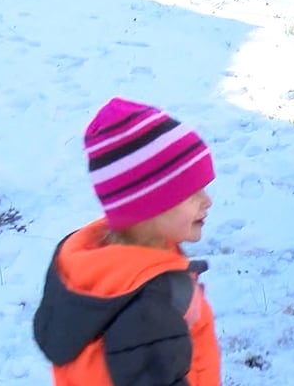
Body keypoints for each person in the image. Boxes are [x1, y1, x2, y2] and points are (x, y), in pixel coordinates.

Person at [32, 97, 220, 385]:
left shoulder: (103, 272)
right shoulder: (149, 308)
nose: (207, 201)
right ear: (148, 207)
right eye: (192, 193)